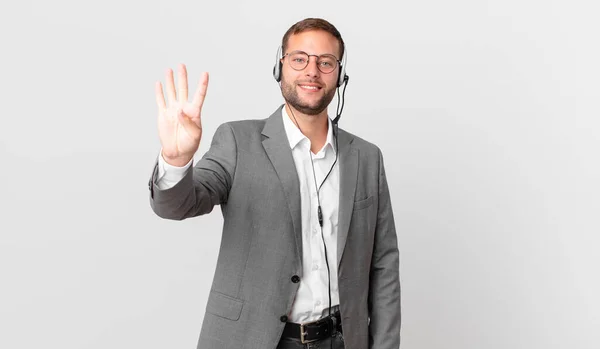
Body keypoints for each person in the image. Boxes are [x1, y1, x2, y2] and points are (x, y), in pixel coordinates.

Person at [148, 18, 401, 349]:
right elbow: (178, 205)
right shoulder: (238, 141)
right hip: (254, 339)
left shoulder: (367, 157)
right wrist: (177, 159)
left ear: (340, 76)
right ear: (279, 67)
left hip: (340, 340)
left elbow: (384, 264)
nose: (312, 71)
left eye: (326, 62)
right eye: (299, 59)